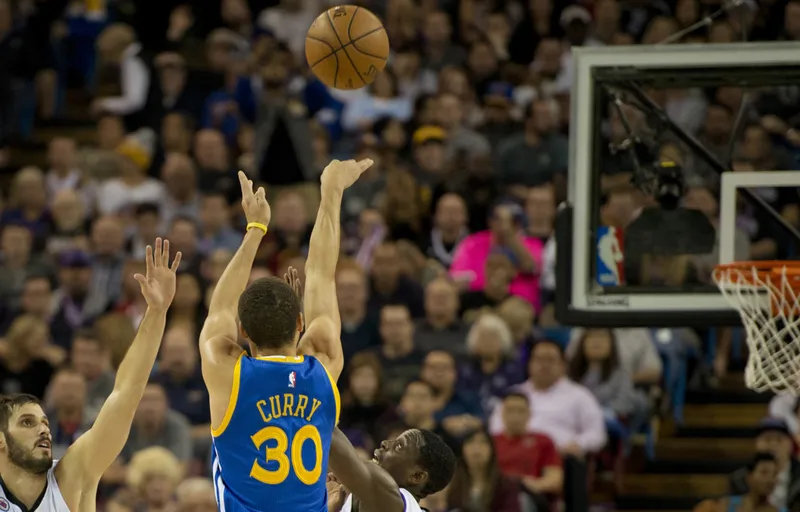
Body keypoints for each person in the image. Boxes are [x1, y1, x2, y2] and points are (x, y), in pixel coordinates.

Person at [200, 161, 373, 512]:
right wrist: (331, 193)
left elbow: (218, 310)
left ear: (243, 330)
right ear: (300, 322)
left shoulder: (228, 372)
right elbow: (322, 274)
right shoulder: (323, 363)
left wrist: (255, 229)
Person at [0, 238, 181, 511]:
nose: (43, 429)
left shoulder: (73, 475)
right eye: (27, 422)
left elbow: (125, 395)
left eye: (45, 422)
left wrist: (156, 314)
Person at [326, 427, 457, 512]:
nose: (385, 443)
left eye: (399, 446)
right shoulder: (352, 496)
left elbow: (326, 431)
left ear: (417, 476)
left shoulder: (399, 502)